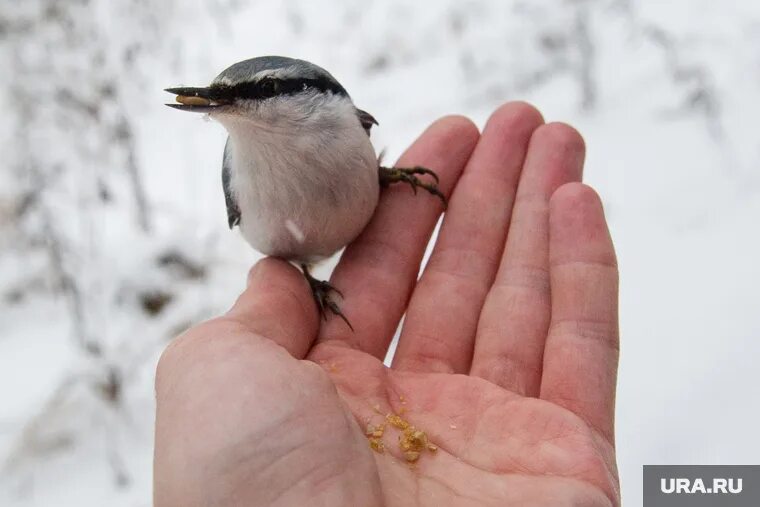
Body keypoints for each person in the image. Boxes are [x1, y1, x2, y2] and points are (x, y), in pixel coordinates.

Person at [153, 102, 620, 506]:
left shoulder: (344, 123)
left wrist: (380, 175)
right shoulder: (243, 169)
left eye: (266, 92)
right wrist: (305, 281)